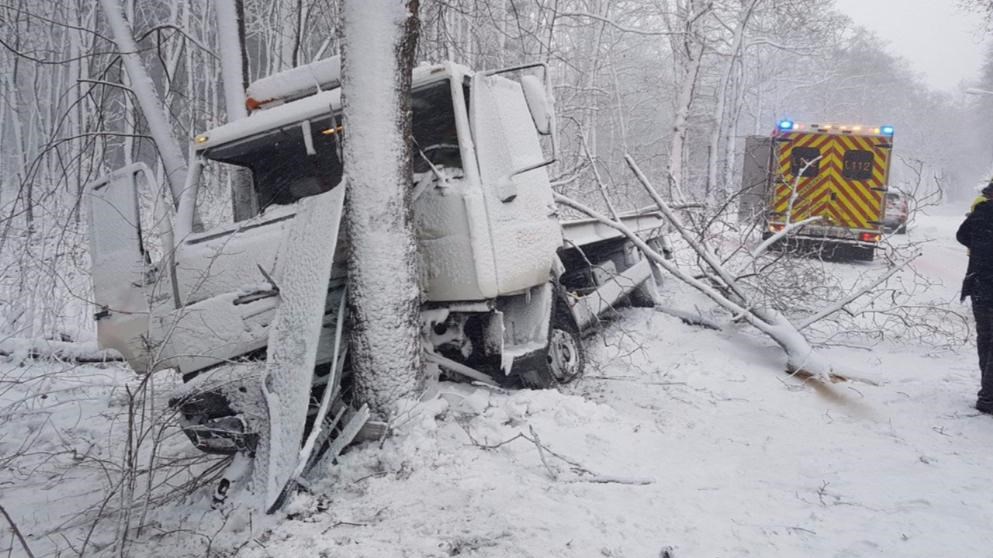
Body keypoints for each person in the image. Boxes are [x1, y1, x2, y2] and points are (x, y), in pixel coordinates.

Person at [956, 180, 993, 414]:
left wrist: (981, 247)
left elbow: (961, 235)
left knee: (985, 340)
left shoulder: (981, 212)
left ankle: (987, 392)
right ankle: (988, 397)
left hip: (979, 286)